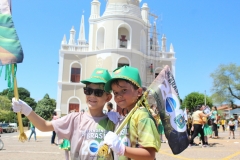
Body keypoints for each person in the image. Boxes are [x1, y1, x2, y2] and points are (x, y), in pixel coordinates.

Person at [12, 68, 115, 160]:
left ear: (108, 97)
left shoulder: (114, 122)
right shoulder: (74, 118)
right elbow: (44, 126)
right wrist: (26, 110)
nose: (92, 96)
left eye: (98, 92)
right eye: (88, 91)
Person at [104, 66, 160, 160]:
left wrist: (122, 149)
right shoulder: (129, 115)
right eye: (116, 93)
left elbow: (150, 154)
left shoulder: (142, 116)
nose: (119, 96)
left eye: (124, 90)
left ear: (138, 92)